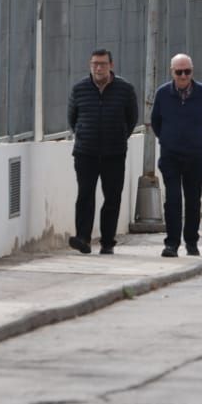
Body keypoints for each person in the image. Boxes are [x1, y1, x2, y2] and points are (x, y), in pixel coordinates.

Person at [67, 49, 139, 255]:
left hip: (114, 154)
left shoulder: (125, 89)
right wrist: (83, 135)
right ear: (90, 65)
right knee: (85, 196)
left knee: (112, 197)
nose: (98, 68)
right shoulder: (79, 89)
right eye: (95, 64)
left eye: (103, 64)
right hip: (85, 153)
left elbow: (131, 119)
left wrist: (118, 136)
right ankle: (83, 239)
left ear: (111, 65)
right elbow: (72, 119)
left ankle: (108, 241)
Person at [151, 53, 202, 258]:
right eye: (179, 72)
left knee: (193, 200)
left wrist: (198, 140)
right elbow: (156, 123)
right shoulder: (162, 94)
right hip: (171, 156)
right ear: (172, 72)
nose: (183, 76)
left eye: (187, 71)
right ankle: (171, 244)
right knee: (173, 199)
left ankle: (192, 242)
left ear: (192, 72)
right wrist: (169, 140)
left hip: (196, 156)